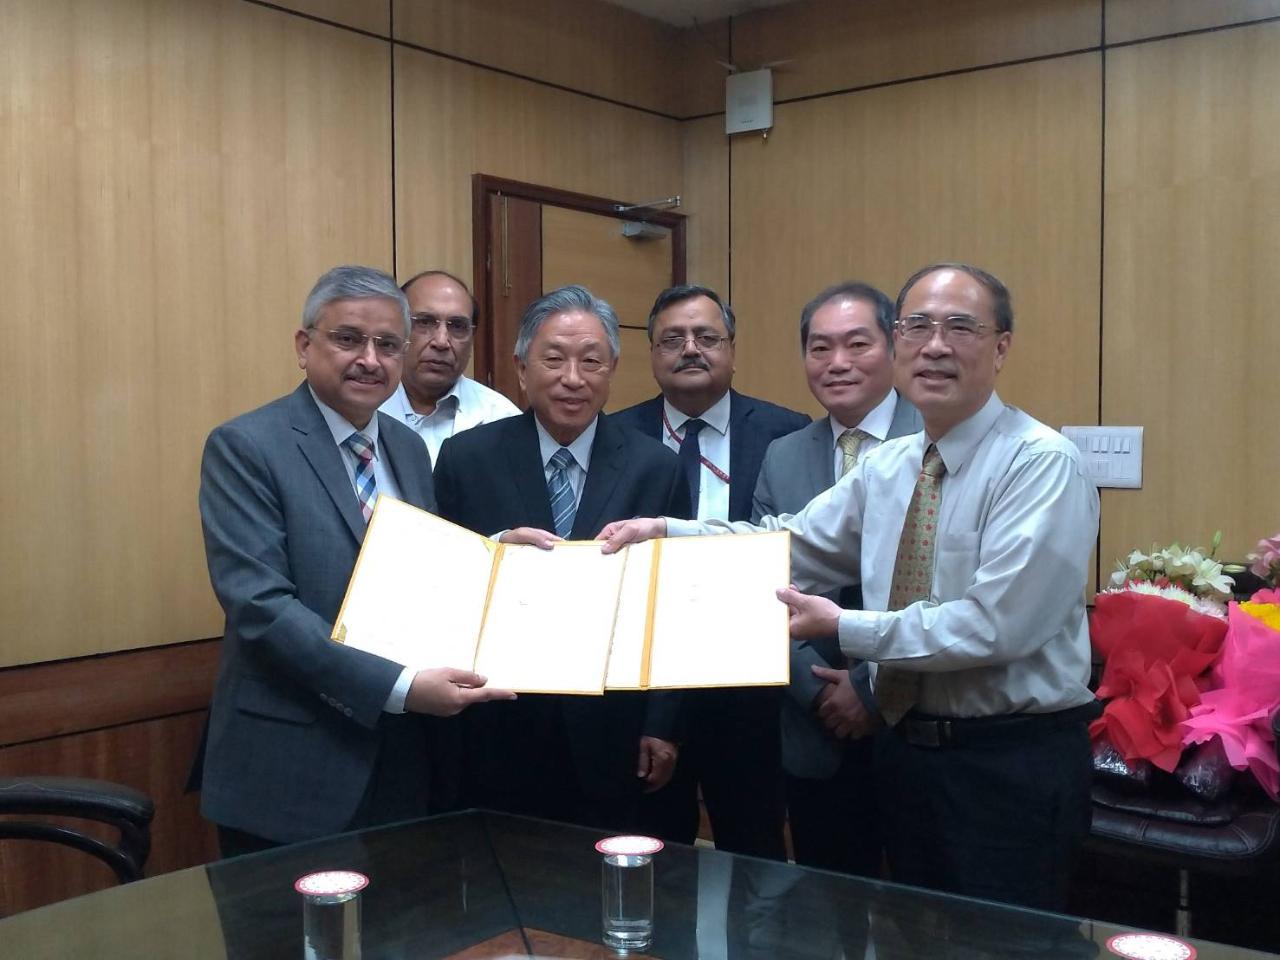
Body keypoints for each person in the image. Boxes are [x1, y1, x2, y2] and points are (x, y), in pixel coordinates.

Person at [601, 263, 1099, 911]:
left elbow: (994, 626)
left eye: (960, 328)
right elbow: (789, 546)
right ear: (901, 343)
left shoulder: (1041, 464)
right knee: (913, 936)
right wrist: (665, 535)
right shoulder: (890, 466)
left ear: (1001, 346)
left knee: (1008, 945)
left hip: (1007, 763)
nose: (936, 345)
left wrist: (842, 627)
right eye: (918, 326)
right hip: (909, 757)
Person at [195, 265, 514, 857]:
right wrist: (399, 686)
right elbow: (260, 607)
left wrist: (495, 554)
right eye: (348, 339)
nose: (370, 359)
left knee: (399, 937)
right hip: (291, 768)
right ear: (304, 345)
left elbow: (423, 571)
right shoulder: (246, 447)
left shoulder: (408, 449)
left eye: (388, 344)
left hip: (402, 760)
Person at [433, 284, 690, 832]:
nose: (573, 378)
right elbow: (443, 581)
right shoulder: (466, 459)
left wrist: (663, 724)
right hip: (496, 723)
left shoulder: (656, 467)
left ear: (612, 369)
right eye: (553, 359)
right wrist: (495, 547)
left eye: (591, 361)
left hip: (614, 730)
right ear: (522, 368)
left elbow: (673, 605)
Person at [611, 284, 808, 859]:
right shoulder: (618, 437)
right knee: (655, 848)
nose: (690, 349)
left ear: (732, 349)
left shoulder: (786, 433)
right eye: (672, 339)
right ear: (651, 354)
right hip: (647, 683)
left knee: (756, 849)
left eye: (706, 337)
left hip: (753, 679)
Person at [752, 281, 921, 877]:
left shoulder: (936, 441)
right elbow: (762, 582)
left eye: (857, 343)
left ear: (894, 347)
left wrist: (869, 692)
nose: (838, 362)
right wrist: (819, 691)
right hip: (811, 720)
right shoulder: (783, 455)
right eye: (820, 348)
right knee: (826, 904)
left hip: (915, 720)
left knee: (920, 912)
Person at [379, 269, 519, 464]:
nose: (442, 341)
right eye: (425, 322)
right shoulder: (364, 408)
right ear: (396, 329)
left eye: (457, 326)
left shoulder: (501, 419)